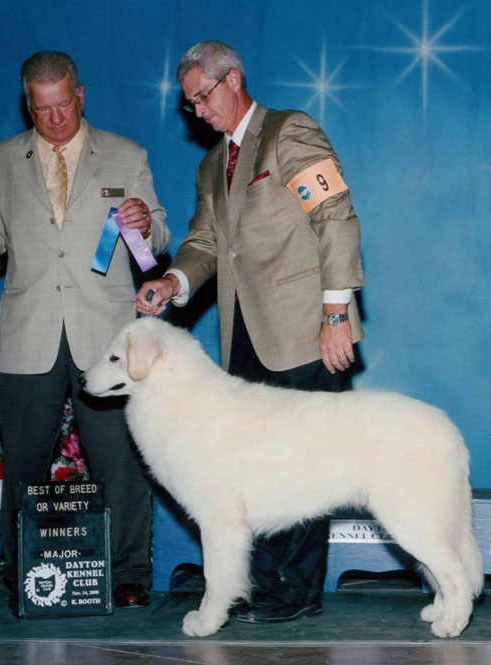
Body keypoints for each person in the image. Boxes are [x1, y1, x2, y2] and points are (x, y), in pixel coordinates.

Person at [138, 40, 364, 624]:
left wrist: (336, 315)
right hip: (242, 338)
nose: (197, 111)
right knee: (254, 471)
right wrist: (173, 284)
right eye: (189, 104)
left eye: (202, 97)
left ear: (233, 79)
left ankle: (296, 592)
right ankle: (260, 586)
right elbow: (205, 244)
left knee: (307, 465)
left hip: (304, 331)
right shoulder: (211, 165)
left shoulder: (290, 132)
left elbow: (334, 216)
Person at [0, 50, 169, 609]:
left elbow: (159, 238)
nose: (55, 120)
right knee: (22, 461)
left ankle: (129, 575)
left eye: (64, 105)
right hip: (28, 333)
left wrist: (147, 222)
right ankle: (16, 565)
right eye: (42, 108)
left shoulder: (126, 154)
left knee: (120, 460)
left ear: (81, 96)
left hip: (107, 335)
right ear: (28, 104)